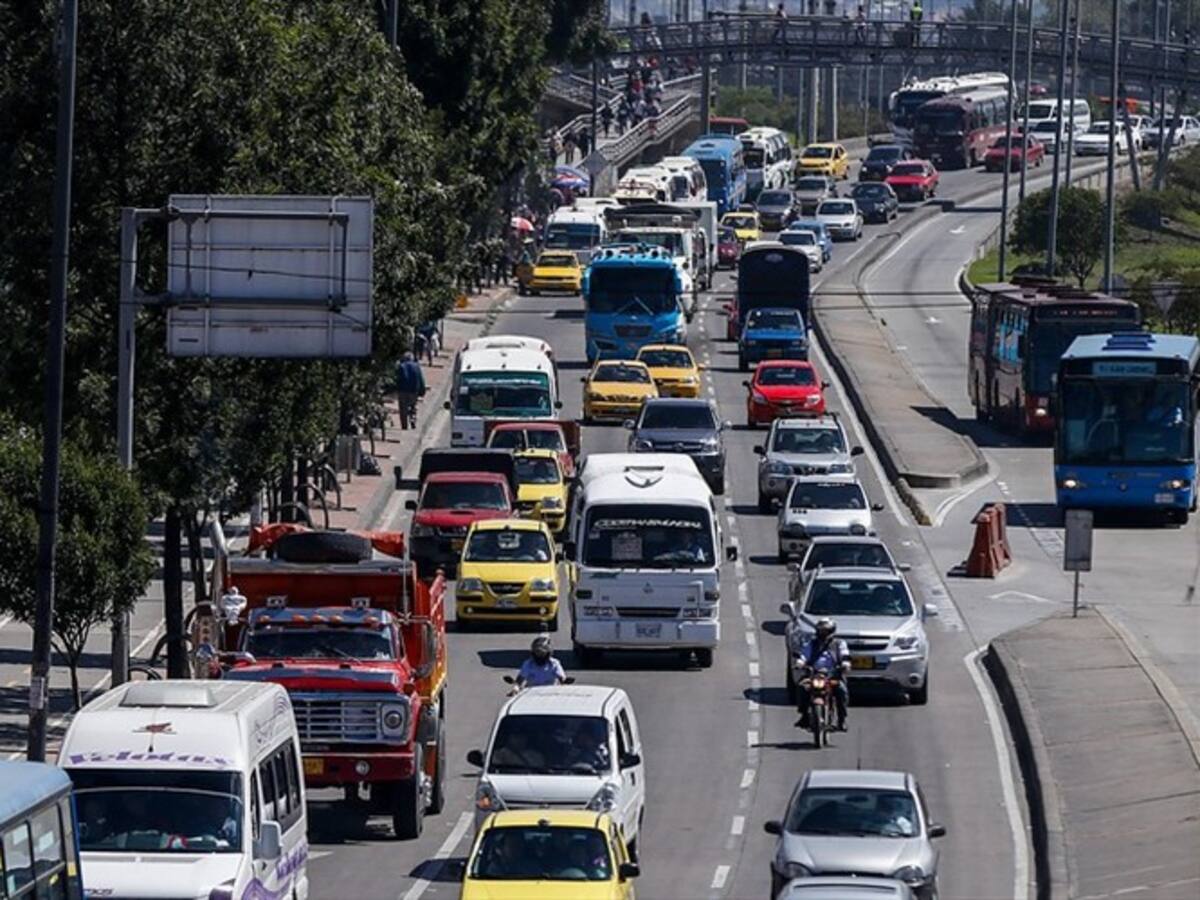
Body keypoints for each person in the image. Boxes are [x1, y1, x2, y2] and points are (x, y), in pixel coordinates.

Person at [794, 617, 851, 731]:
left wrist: (845, 664)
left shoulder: (839, 643)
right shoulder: (811, 643)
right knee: (802, 688)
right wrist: (800, 663)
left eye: (826, 631)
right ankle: (804, 716)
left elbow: (845, 655)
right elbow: (804, 655)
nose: (823, 634)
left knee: (841, 691)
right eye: (821, 631)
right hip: (813, 674)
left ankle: (841, 720)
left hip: (833, 675)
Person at [395, 352, 426, 431]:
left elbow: (397, 379)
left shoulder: (401, 366)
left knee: (403, 409)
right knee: (413, 406)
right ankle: (413, 419)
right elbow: (420, 379)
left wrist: (395, 389)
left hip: (403, 390)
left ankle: (404, 425)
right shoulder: (416, 366)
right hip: (413, 391)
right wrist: (422, 390)